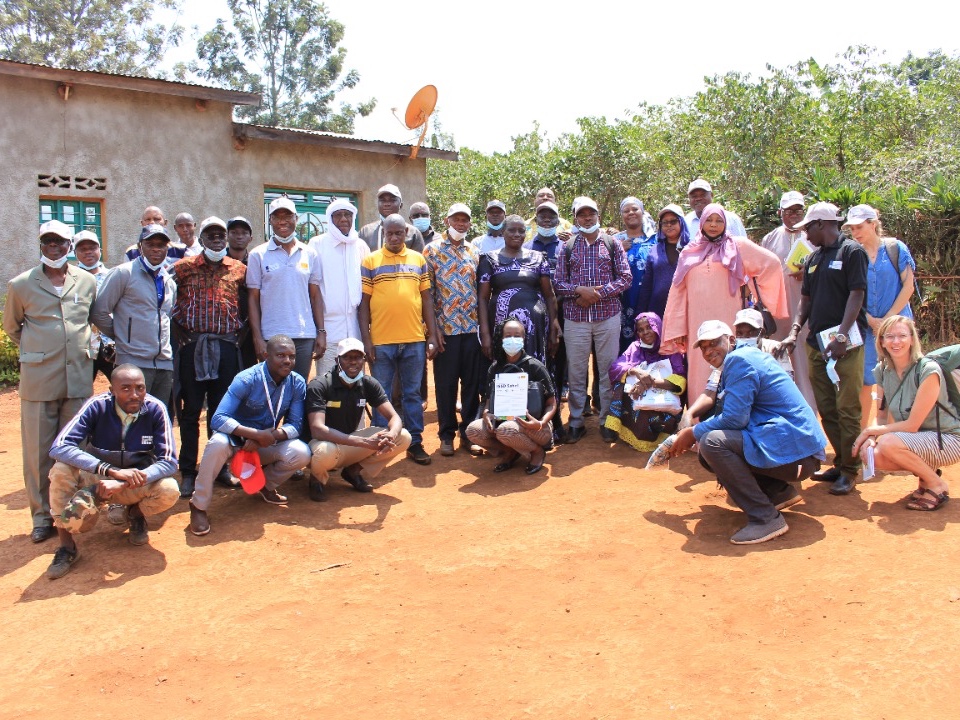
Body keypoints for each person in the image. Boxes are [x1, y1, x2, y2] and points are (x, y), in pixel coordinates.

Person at [669, 321, 826, 545]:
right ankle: (777, 493)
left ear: (731, 340)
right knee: (709, 446)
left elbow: (735, 419)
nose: (708, 351)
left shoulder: (738, 360)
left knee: (713, 443)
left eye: (714, 343)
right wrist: (695, 432)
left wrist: (693, 432)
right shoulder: (740, 359)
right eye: (703, 347)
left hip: (797, 453)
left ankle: (766, 518)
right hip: (795, 450)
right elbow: (733, 414)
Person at [4, 220, 99, 543]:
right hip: (39, 380)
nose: (54, 247)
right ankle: (42, 516)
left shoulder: (86, 282)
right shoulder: (21, 285)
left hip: (77, 378)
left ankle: (77, 510)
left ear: (70, 246)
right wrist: (41, 350)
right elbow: (13, 328)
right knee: (39, 452)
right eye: (48, 242)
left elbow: (89, 320)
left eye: (60, 242)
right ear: (41, 246)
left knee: (75, 449)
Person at [45, 364, 180, 578]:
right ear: (112, 390)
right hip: (98, 479)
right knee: (60, 470)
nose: (135, 395)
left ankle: (135, 513)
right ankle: (67, 547)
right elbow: (59, 446)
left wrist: (123, 482)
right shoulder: (96, 406)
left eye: (140, 388)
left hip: (134, 481)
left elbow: (169, 462)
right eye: (126, 388)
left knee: (169, 489)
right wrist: (109, 471)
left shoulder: (155, 409)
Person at [779, 202, 868, 496]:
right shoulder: (815, 258)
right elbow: (805, 299)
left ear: (821, 224)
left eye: (807, 227)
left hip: (845, 345)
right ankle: (840, 462)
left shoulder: (852, 252)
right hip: (816, 343)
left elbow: (857, 294)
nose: (805, 232)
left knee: (847, 407)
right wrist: (794, 331)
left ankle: (851, 470)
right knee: (828, 408)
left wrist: (841, 337)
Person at [187, 335, 311, 536]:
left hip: (265, 442)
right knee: (217, 442)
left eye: (291, 356)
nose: (287, 361)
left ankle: (264, 485)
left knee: (301, 452)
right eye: (280, 355)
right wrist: (254, 435)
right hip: (235, 443)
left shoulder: (296, 383)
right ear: (265, 355)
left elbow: (295, 426)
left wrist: (270, 436)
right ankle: (198, 505)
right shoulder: (246, 379)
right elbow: (218, 419)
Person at [661, 203, 787, 401]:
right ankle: (698, 420)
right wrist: (678, 328)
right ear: (701, 223)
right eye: (709, 220)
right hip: (697, 323)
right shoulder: (688, 251)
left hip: (729, 319)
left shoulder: (737, 246)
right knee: (700, 366)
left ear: (726, 223)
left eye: (719, 220)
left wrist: (757, 294)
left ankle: (731, 415)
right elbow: (678, 292)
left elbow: (770, 264)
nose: (713, 225)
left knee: (730, 360)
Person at [555, 198, 645, 443]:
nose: (587, 218)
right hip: (576, 319)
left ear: (597, 216)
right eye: (582, 215)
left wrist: (597, 293)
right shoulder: (567, 247)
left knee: (608, 371)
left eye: (591, 214)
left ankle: (607, 420)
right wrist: (578, 291)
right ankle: (576, 422)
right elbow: (558, 283)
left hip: (607, 318)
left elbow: (625, 278)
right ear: (575, 218)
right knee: (576, 371)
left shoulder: (612, 243)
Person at [169, 216, 247, 498]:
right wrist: (175, 326)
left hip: (226, 348)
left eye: (220, 235)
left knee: (221, 411)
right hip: (193, 347)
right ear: (200, 240)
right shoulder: (183, 268)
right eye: (210, 235)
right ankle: (188, 471)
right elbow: (166, 298)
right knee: (190, 411)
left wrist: (243, 332)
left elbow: (249, 302)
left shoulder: (239, 269)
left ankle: (220, 468)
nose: (216, 239)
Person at [359, 213, 439, 465]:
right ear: (383, 233)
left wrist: (432, 335)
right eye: (389, 233)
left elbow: (427, 299)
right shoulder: (371, 261)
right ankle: (378, 442)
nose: (394, 237)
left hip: (414, 339)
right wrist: (367, 341)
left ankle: (415, 441)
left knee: (412, 394)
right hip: (381, 341)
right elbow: (364, 305)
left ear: (406, 233)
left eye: (398, 233)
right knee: (380, 393)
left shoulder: (418, 260)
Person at [853, 317, 957, 510]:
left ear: (912, 339)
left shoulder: (928, 370)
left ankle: (936, 484)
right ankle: (927, 478)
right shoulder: (883, 371)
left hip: (949, 439)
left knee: (888, 442)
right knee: (872, 455)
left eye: (902, 336)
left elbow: (912, 425)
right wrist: (872, 436)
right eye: (889, 336)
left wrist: (870, 432)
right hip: (919, 440)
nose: (896, 342)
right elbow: (882, 416)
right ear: (881, 341)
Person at [305, 338, 412, 501]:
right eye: (347, 357)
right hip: (322, 443)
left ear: (364, 359)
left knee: (403, 436)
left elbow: (394, 417)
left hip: (349, 443)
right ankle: (317, 479)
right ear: (337, 360)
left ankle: (352, 471)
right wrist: (364, 443)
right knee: (323, 452)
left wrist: (391, 434)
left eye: (357, 357)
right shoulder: (320, 385)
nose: (353, 362)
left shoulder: (368, 383)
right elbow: (317, 429)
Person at [92, 223, 177, 414]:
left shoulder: (168, 279)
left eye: (161, 245)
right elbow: (99, 312)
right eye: (151, 244)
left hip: (164, 362)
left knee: (158, 417)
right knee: (131, 418)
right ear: (140, 246)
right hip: (133, 362)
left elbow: (167, 316)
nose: (156, 249)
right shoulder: (124, 273)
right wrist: (123, 336)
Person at [843, 204, 916, 426]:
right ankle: (863, 436)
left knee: (899, 378)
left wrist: (888, 321)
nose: (855, 233)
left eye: (859, 227)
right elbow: (850, 293)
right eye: (852, 229)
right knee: (865, 381)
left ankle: (891, 434)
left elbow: (908, 287)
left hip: (897, 328)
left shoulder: (896, 248)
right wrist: (869, 320)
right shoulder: (853, 254)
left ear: (873, 224)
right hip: (867, 328)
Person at [423, 203, 484, 456]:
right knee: (446, 385)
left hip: (471, 330)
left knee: (471, 385)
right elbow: (427, 294)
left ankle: (469, 434)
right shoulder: (432, 251)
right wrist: (432, 332)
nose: (461, 224)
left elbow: (480, 291)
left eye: (465, 220)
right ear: (447, 220)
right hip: (445, 331)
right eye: (456, 219)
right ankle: (446, 435)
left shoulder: (474, 251)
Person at [246, 195, 326, 381]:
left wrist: (321, 332)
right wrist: (258, 337)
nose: (283, 221)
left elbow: (315, 297)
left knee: (299, 388)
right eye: (277, 217)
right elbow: (253, 299)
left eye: (288, 216)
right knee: (272, 390)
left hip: (303, 335)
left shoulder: (310, 254)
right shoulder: (258, 254)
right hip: (271, 336)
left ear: (296, 219)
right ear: (270, 221)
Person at [466, 319, 557, 475]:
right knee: (473, 431)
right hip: (503, 420)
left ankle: (536, 451)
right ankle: (511, 451)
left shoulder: (535, 366)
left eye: (517, 335)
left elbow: (552, 403)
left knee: (505, 430)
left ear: (524, 339)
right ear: (501, 339)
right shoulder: (495, 368)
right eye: (508, 336)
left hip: (536, 427)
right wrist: (486, 413)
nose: (512, 339)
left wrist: (540, 423)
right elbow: (488, 402)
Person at [478, 214, 559, 367]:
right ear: (503, 232)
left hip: (535, 327)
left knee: (534, 370)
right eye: (512, 230)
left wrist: (554, 329)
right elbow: (482, 298)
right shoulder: (489, 259)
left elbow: (549, 295)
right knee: (505, 370)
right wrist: (485, 334)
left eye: (521, 231)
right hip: (501, 328)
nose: (517, 234)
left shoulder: (538, 258)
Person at [761, 191, 817, 409]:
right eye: (789, 211)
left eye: (798, 210)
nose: (794, 215)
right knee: (779, 360)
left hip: (807, 311)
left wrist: (810, 271)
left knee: (805, 362)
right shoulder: (770, 238)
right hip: (778, 313)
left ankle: (809, 411)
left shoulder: (813, 237)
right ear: (779, 213)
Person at [604, 312, 686, 452]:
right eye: (640, 330)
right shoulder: (635, 347)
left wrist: (649, 382)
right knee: (619, 384)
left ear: (658, 327)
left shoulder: (670, 347)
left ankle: (663, 431)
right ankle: (628, 430)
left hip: (662, 394)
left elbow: (681, 380)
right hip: (639, 396)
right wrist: (636, 372)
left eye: (649, 327)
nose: (645, 332)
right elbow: (616, 367)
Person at [308, 198, 370, 379]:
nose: (344, 219)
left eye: (348, 215)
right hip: (329, 331)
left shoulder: (360, 246)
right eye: (338, 215)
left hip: (355, 330)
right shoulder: (317, 244)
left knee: (356, 384)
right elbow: (314, 290)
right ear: (330, 218)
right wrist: (320, 332)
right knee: (327, 382)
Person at [72, 229, 115, 381]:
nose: (88, 252)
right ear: (75, 252)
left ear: (100, 250)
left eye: (92, 248)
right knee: (80, 394)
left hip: (111, 345)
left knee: (121, 390)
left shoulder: (113, 276)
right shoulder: (69, 279)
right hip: (83, 348)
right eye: (83, 249)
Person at [615, 197, 657, 352]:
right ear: (622, 215)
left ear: (642, 212)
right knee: (624, 345)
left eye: (635, 209)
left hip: (650, 300)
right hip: (622, 303)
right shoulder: (614, 241)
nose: (631, 213)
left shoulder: (655, 239)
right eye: (626, 211)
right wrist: (620, 249)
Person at [635, 204, 689, 321]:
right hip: (658, 308)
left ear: (681, 223)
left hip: (685, 308)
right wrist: (641, 314)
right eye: (665, 223)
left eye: (673, 221)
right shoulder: (654, 250)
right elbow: (647, 285)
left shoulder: (692, 249)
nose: (669, 225)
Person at [226, 216, 257, 368]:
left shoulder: (257, 262)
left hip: (251, 332)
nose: (239, 236)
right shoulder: (219, 263)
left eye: (244, 233)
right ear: (227, 235)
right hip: (224, 332)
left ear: (250, 238)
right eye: (234, 232)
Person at [359, 184, 425, 253]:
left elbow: (419, 261)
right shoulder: (365, 232)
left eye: (392, 200)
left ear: (401, 205)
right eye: (383, 200)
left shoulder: (413, 233)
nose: (387, 204)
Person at [733, 308, 794, 378]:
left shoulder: (776, 348)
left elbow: (787, 379)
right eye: (739, 333)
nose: (744, 337)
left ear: (762, 333)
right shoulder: (732, 351)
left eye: (751, 333)